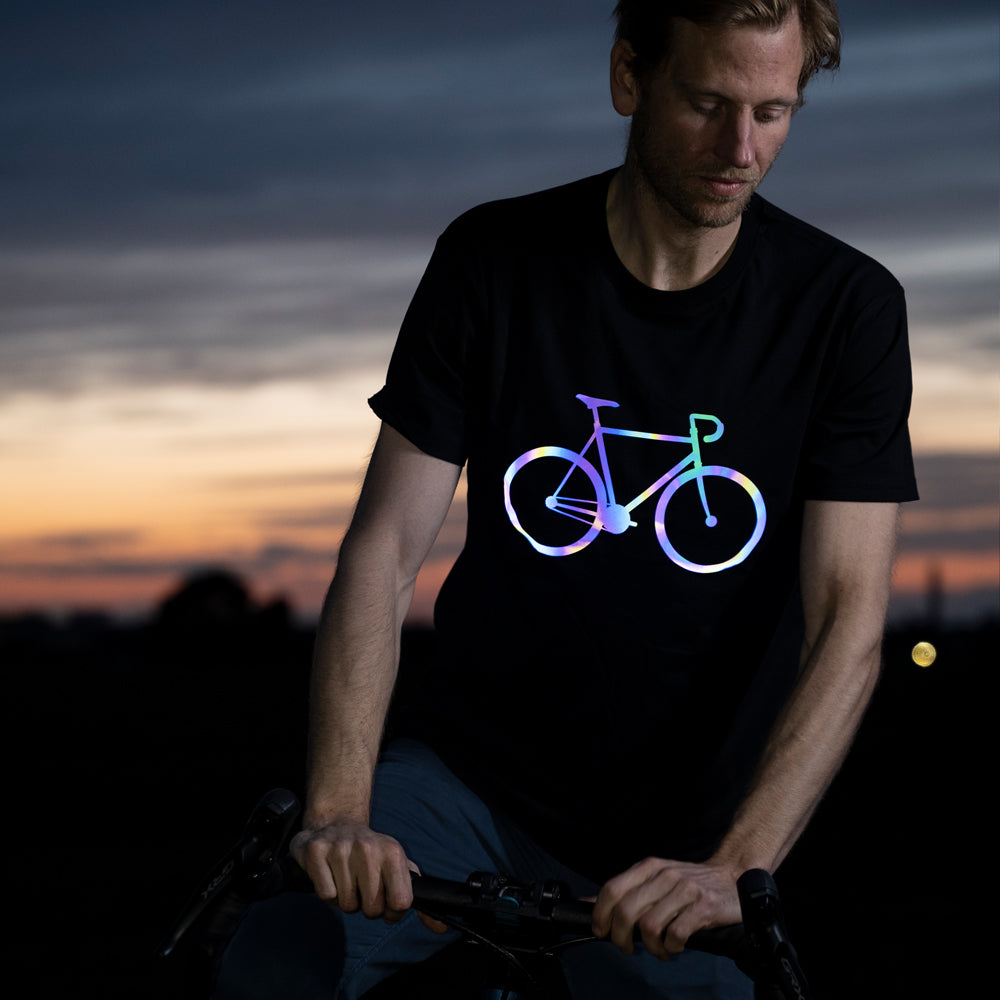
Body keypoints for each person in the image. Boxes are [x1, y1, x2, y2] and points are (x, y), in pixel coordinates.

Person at [214, 2, 917, 997]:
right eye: (707, 103)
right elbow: (383, 552)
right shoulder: (492, 261)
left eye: (773, 111)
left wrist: (734, 865)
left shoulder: (845, 311)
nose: (739, 148)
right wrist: (337, 806)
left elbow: (848, 622)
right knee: (281, 952)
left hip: (690, 836)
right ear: (629, 79)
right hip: (469, 786)